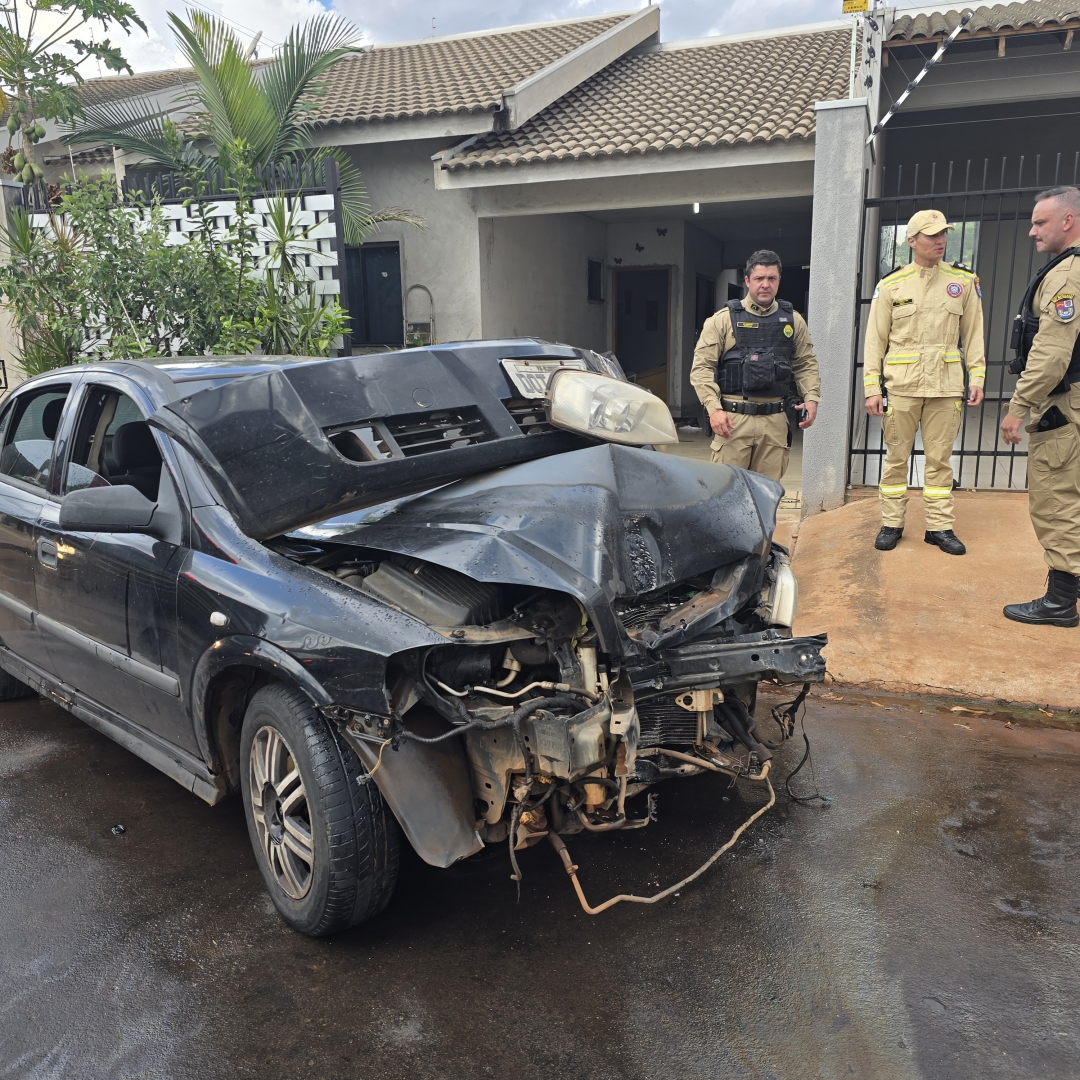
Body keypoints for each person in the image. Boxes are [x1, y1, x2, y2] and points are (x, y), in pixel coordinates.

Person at [864, 209, 986, 555]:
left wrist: (976, 375)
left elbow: (973, 334)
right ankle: (891, 523)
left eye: (943, 234)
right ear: (912, 240)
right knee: (896, 459)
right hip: (901, 386)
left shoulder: (963, 282)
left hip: (945, 386)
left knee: (940, 459)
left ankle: (939, 527)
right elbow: (875, 340)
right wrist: (872, 387)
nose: (940, 240)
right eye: (931, 235)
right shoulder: (891, 286)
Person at [1000, 185, 1080, 627]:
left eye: (1040, 222)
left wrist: (1019, 407)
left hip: (1063, 405)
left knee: (1056, 500)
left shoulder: (1067, 275)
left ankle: (1061, 602)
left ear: (1067, 220)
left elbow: (1051, 354)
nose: (1031, 231)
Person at [690, 249, 820, 482]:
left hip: (775, 420)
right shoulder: (722, 319)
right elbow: (701, 369)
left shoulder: (793, 320)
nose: (765, 285)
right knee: (726, 494)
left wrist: (811, 397)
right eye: (759, 278)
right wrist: (713, 410)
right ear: (747, 280)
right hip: (732, 419)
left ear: (779, 281)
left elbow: (805, 363)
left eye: (772, 278)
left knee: (766, 495)